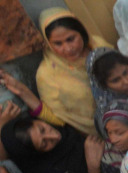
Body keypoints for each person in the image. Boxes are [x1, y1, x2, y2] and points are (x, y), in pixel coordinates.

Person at [34, 9, 112, 137]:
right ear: (48, 44)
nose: (68, 48)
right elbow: (60, 119)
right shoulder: (47, 76)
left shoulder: (99, 46)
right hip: (96, 137)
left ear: (81, 32)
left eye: (70, 39)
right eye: (58, 43)